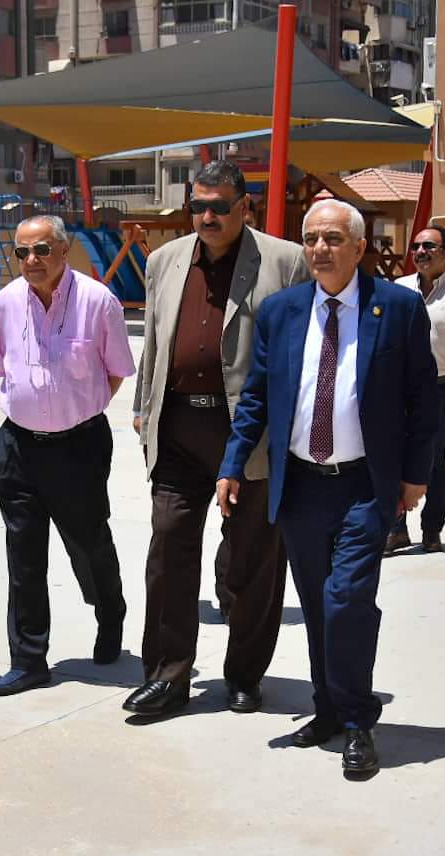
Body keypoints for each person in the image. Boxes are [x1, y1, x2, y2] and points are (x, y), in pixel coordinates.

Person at [216, 199, 437, 777]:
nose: (320, 249)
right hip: (301, 486)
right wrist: (232, 464)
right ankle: (328, 708)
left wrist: (416, 475)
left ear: (360, 248)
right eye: (311, 238)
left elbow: (423, 399)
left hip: (364, 484)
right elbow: (256, 396)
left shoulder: (398, 308)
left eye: (333, 238)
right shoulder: (281, 311)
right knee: (317, 604)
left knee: (347, 599)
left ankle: (359, 719)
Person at [125, 160, 309, 717]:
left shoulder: (285, 261)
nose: (207, 217)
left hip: (250, 434)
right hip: (179, 429)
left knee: (252, 561)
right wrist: (143, 407)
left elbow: (300, 350)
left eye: (219, 207)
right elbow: (155, 340)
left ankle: (245, 674)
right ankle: (168, 675)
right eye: (198, 207)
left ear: (244, 207)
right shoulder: (164, 260)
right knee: (168, 548)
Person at [0, 214, 134, 696]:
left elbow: (115, 371)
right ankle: (28, 659)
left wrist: (78, 410)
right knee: (23, 555)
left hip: (79, 448)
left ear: (64, 251)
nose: (31, 260)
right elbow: (1, 367)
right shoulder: (5, 303)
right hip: (18, 447)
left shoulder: (98, 301)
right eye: (22, 252)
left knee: (89, 545)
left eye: (42, 249)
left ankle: (110, 612)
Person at [386, 225, 445, 554]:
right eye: (416, 246)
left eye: (429, 246)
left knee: (439, 464)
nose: (421, 252)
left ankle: (431, 529)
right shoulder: (398, 289)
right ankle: (396, 529)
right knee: (395, 457)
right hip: (402, 389)